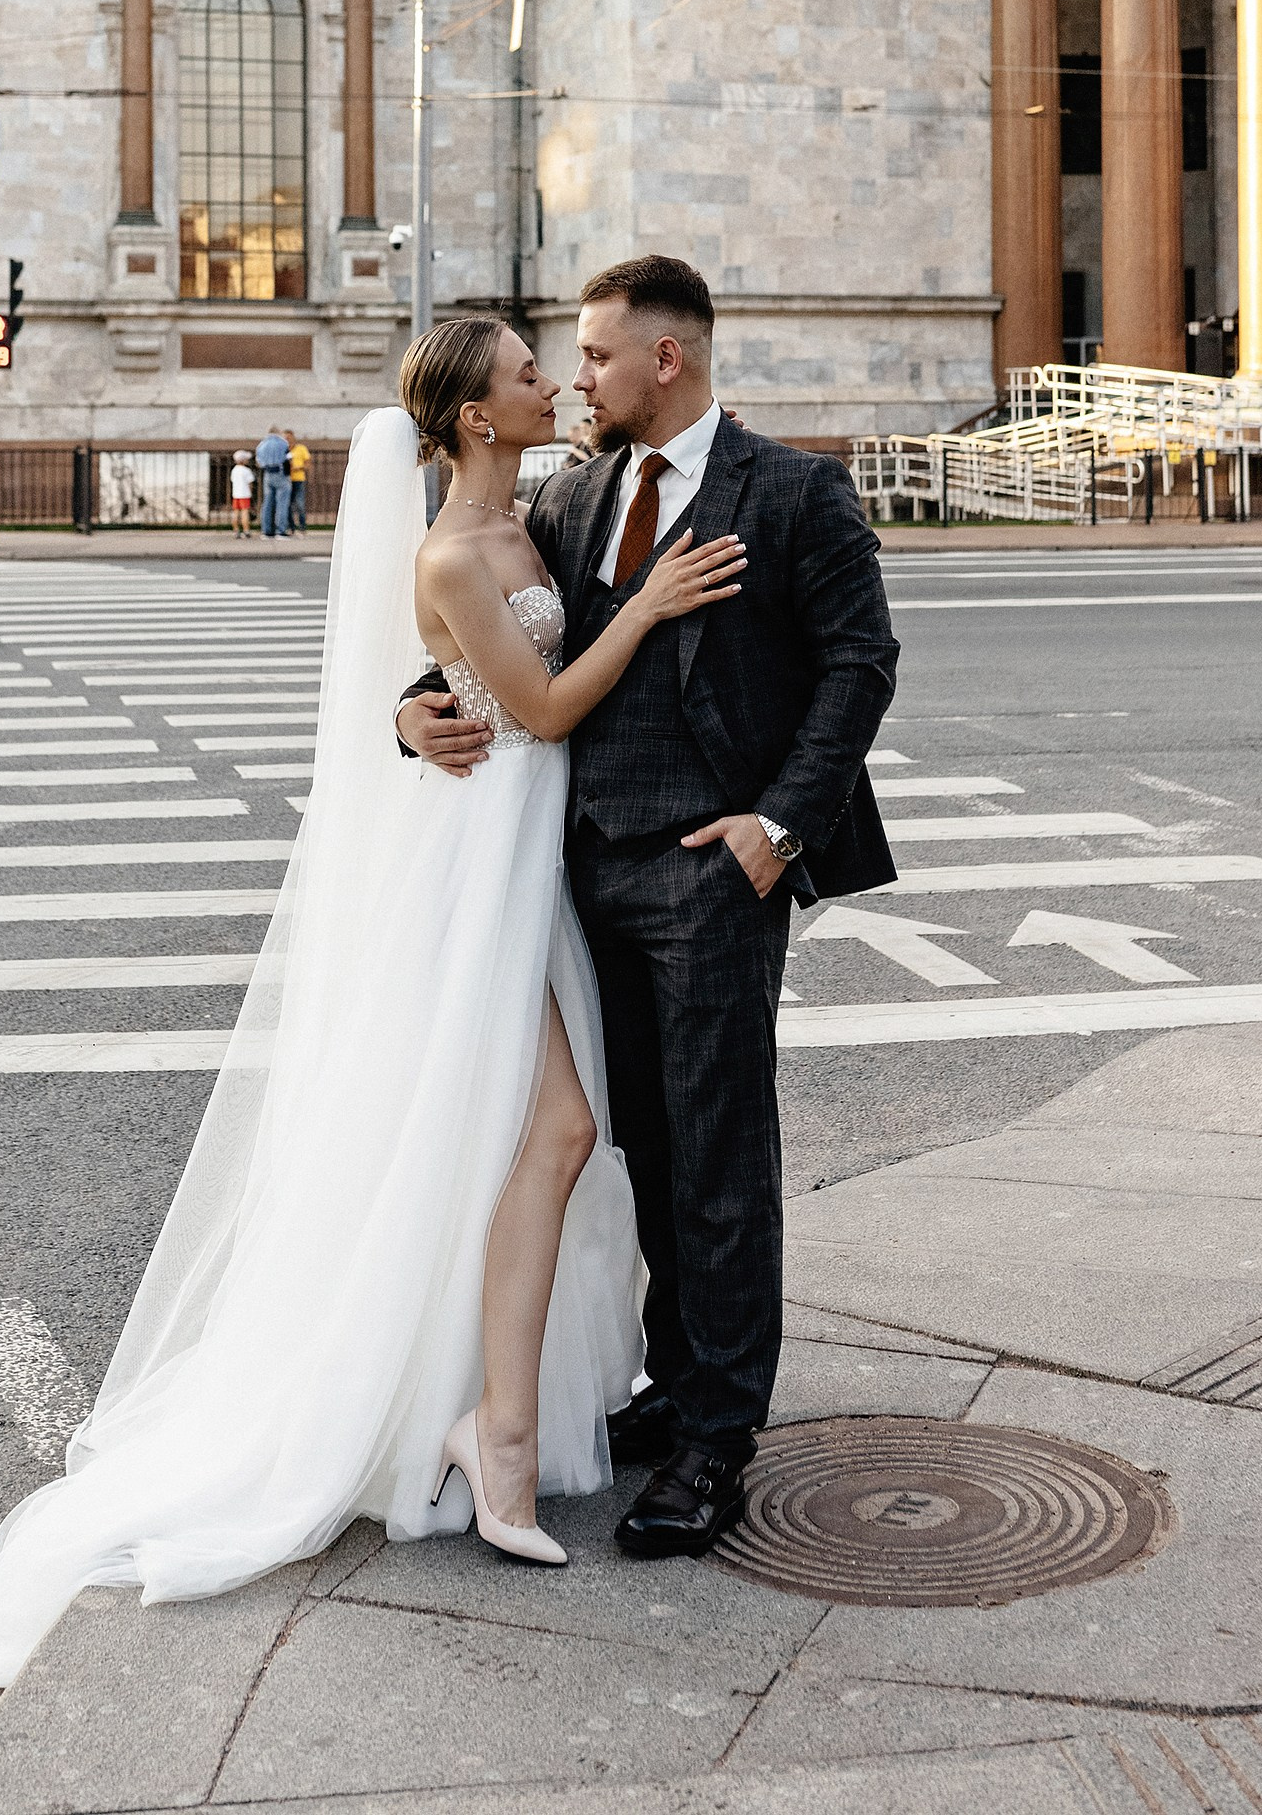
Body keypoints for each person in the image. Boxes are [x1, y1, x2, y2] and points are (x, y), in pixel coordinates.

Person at [0, 325, 743, 1686]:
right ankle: (490, 1434)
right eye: (521, 371)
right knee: (546, 1134)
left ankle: (492, 1422)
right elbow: (541, 705)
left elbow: (436, 681)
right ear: (473, 419)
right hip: (470, 867)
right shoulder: (447, 549)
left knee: (535, 1137)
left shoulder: (537, 507)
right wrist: (646, 608)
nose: (549, 378)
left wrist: (411, 709)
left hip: (522, 857)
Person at [398, 256, 899, 1560]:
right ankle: (675, 1385)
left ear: (663, 361)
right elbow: (503, 648)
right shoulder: (569, 497)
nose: (577, 377)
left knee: (722, 1164)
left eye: (597, 356)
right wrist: (414, 714)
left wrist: (776, 829)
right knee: (649, 1155)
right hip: (575, 875)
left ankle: (716, 1445)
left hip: (712, 875)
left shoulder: (791, 494)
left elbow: (860, 665)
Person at [255, 423, 291, 540]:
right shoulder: (283, 443)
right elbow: (287, 457)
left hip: (267, 473)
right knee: (282, 503)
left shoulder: (261, 445)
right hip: (280, 472)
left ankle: (266, 531)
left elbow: (259, 462)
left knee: (267, 503)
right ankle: (280, 531)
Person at [227, 446, 255, 537]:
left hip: (236, 494)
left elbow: (232, 481)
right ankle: (246, 530)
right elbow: (250, 483)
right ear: (244, 460)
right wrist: (251, 492)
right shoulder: (247, 470)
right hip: (245, 494)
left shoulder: (234, 470)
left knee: (236, 512)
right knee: (245, 512)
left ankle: (236, 530)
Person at [286, 431, 310, 534]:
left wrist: (299, 467)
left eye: (289, 437)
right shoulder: (284, 449)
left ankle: (302, 526)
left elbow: (308, 464)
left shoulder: (301, 449)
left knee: (300, 503)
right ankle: (291, 526)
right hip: (287, 480)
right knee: (288, 504)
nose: (288, 440)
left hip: (299, 479)